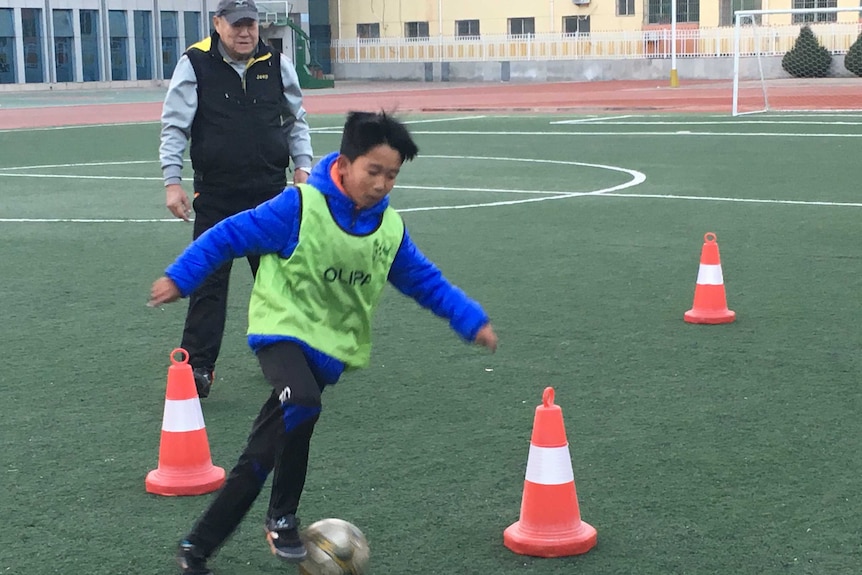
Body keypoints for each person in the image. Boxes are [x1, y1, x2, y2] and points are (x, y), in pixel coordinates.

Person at [149, 111, 499, 575]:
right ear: (346, 163)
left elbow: (424, 281)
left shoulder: (388, 231)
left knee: (260, 455)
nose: (381, 184)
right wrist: (181, 278)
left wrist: (470, 320)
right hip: (281, 330)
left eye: (391, 175)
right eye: (372, 171)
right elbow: (227, 235)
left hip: (329, 349)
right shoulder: (298, 207)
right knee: (303, 401)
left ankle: (196, 548)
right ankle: (282, 517)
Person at [159, 0, 313, 399]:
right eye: (236, 25)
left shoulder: (276, 62)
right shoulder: (194, 63)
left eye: (251, 25)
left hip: (269, 193)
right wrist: (172, 182)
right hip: (217, 194)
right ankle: (198, 368)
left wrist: (303, 166)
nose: (245, 33)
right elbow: (175, 125)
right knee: (208, 281)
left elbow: (295, 119)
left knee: (279, 281)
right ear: (217, 24)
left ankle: (289, 359)